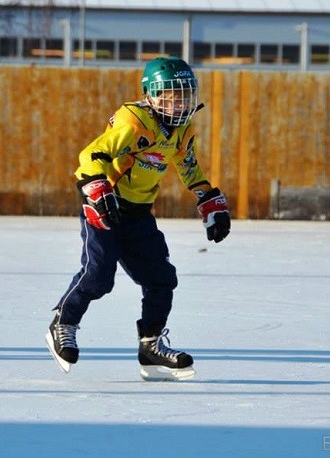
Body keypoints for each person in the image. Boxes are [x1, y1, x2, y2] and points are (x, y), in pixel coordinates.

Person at [45, 56, 231, 381]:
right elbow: (92, 154)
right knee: (99, 275)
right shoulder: (134, 122)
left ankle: (151, 346)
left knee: (161, 279)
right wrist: (97, 187)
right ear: (150, 95)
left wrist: (208, 198)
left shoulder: (182, 131)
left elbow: (189, 168)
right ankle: (64, 322)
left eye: (184, 94)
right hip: (106, 204)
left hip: (140, 213)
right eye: (169, 95)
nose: (177, 102)